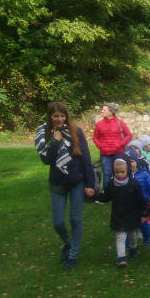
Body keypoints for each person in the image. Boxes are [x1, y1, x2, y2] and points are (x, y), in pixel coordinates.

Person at [34, 101, 96, 270]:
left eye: (62, 116)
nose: (59, 119)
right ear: (50, 117)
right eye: (55, 116)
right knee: (58, 223)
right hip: (57, 183)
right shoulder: (44, 133)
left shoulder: (76, 132)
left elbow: (86, 159)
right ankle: (68, 243)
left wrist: (91, 184)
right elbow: (46, 160)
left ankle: (73, 255)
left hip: (77, 181)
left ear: (66, 116)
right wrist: (55, 142)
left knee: (75, 219)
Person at [93, 158, 146, 268]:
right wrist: (94, 194)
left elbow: (140, 200)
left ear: (127, 171)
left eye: (122, 172)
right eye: (117, 172)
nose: (119, 174)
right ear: (113, 172)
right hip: (118, 215)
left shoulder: (134, 183)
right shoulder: (112, 184)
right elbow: (105, 197)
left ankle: (133, 249)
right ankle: (121, 258)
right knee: (120, 237)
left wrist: (144, 214)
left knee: (132, 235)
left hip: (132, 215)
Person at [93, 102, 132, 185]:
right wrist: (100, 146)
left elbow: (129, 135)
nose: (101, 111)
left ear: (111, 112)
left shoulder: (120, 122)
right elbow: (95, 138)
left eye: (104, 110)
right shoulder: (99, 124)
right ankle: (107, 194)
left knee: (119, 174)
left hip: (118, 153)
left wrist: (120, 144)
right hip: (105, 154)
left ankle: (120, 192)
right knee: (107, 174)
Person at [129, 155, 150, 248]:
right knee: (128, 225)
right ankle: (128, 245)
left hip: (143, 203)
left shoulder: (144, 174)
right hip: (129, 204)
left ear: (136, 162)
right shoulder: (124, 175)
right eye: (127, 161)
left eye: (132, 161)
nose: (130, 164)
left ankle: (147, 240)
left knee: (143, 223)